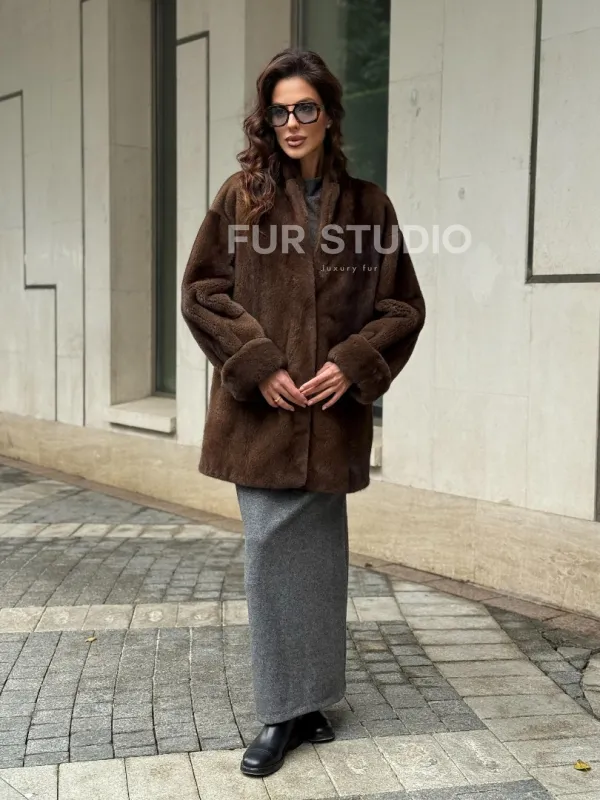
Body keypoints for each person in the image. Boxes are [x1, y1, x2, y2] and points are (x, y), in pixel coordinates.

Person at [180, 47, 426, 777]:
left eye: (305, 109)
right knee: (269, 557)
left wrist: (350, 364)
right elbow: (201, 294)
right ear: (268, 119)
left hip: (330, 417)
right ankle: (279, 712)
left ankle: (312, 699)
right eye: (280, 110)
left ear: (328, 115)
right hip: (260, 421)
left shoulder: (369, 207)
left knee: (320, 567)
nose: (292, 122)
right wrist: (258, 365)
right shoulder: (240, 197)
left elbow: (403, 307)